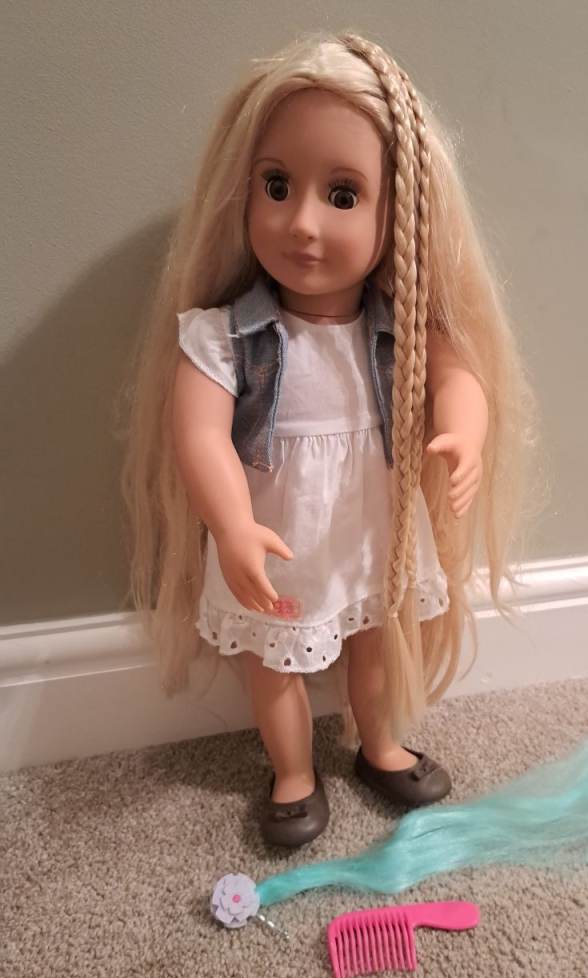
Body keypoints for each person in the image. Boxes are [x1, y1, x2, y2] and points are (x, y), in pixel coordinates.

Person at [120, 30, 541, 848]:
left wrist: (464, 432)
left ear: (398, 214)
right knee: (273, 661)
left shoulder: (396, 327)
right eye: (277, 185)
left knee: (377, 642)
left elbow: (459, 374)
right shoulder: (227, 335)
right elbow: (199, 434)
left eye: (343, 196)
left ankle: (378, 744)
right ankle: (292, 772)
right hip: (276, 542)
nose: (303, 223)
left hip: (371, 532)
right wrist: (232, 524)